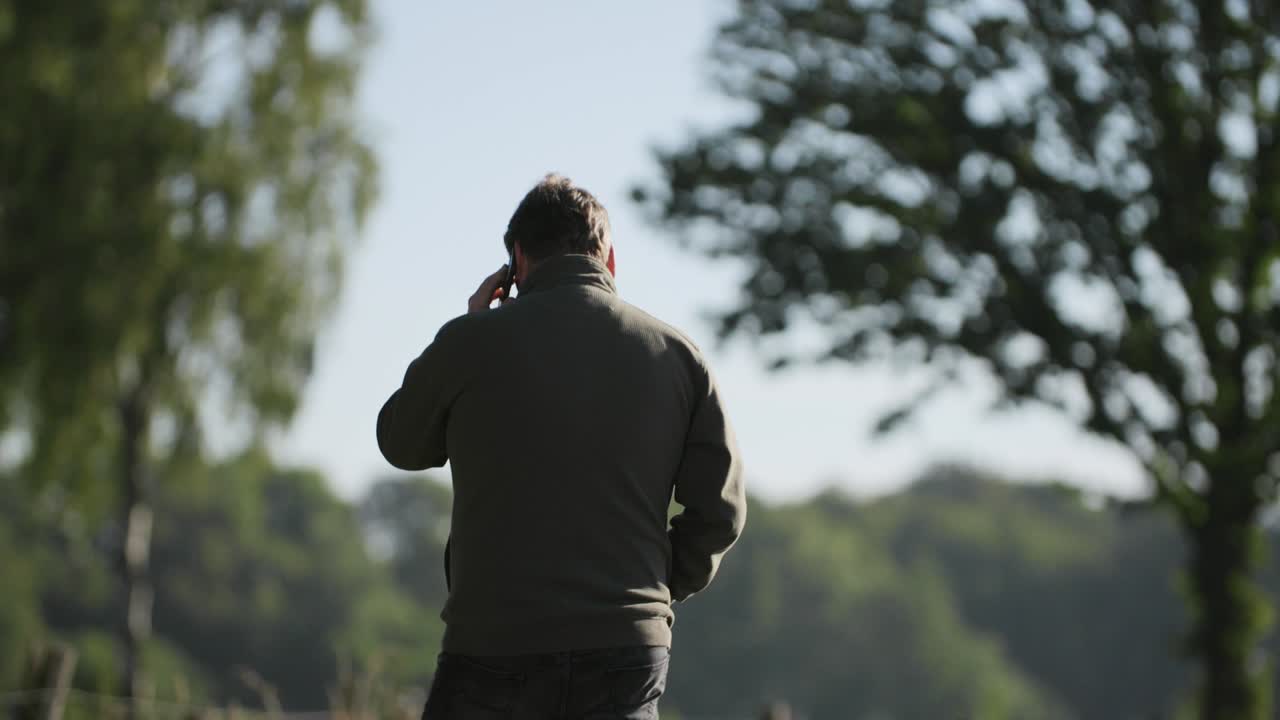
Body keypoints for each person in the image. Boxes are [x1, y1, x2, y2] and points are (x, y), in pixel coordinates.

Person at [377, 173, 746, 719]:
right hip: (626, 647)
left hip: (492, 643)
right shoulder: (678, 357)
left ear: (517, 261)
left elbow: (401, 443)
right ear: (610, 260)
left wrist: (467, 330)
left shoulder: (470, 343)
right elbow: (720, 513)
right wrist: (651, 592)